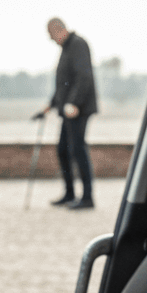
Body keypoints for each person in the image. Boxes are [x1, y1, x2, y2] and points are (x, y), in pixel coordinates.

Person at [35, 17, 98, 209]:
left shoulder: (78, 44)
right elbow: (64, 82)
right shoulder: (65, 49)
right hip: (66, 110)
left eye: (50, 34)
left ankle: (87, 198)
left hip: (78, 109)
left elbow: (83, 76)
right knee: (63, 150)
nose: (50, 39)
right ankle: (70, 193)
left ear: (58, 29)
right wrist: (51, 104)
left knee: (78, 150)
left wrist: (74, 103)